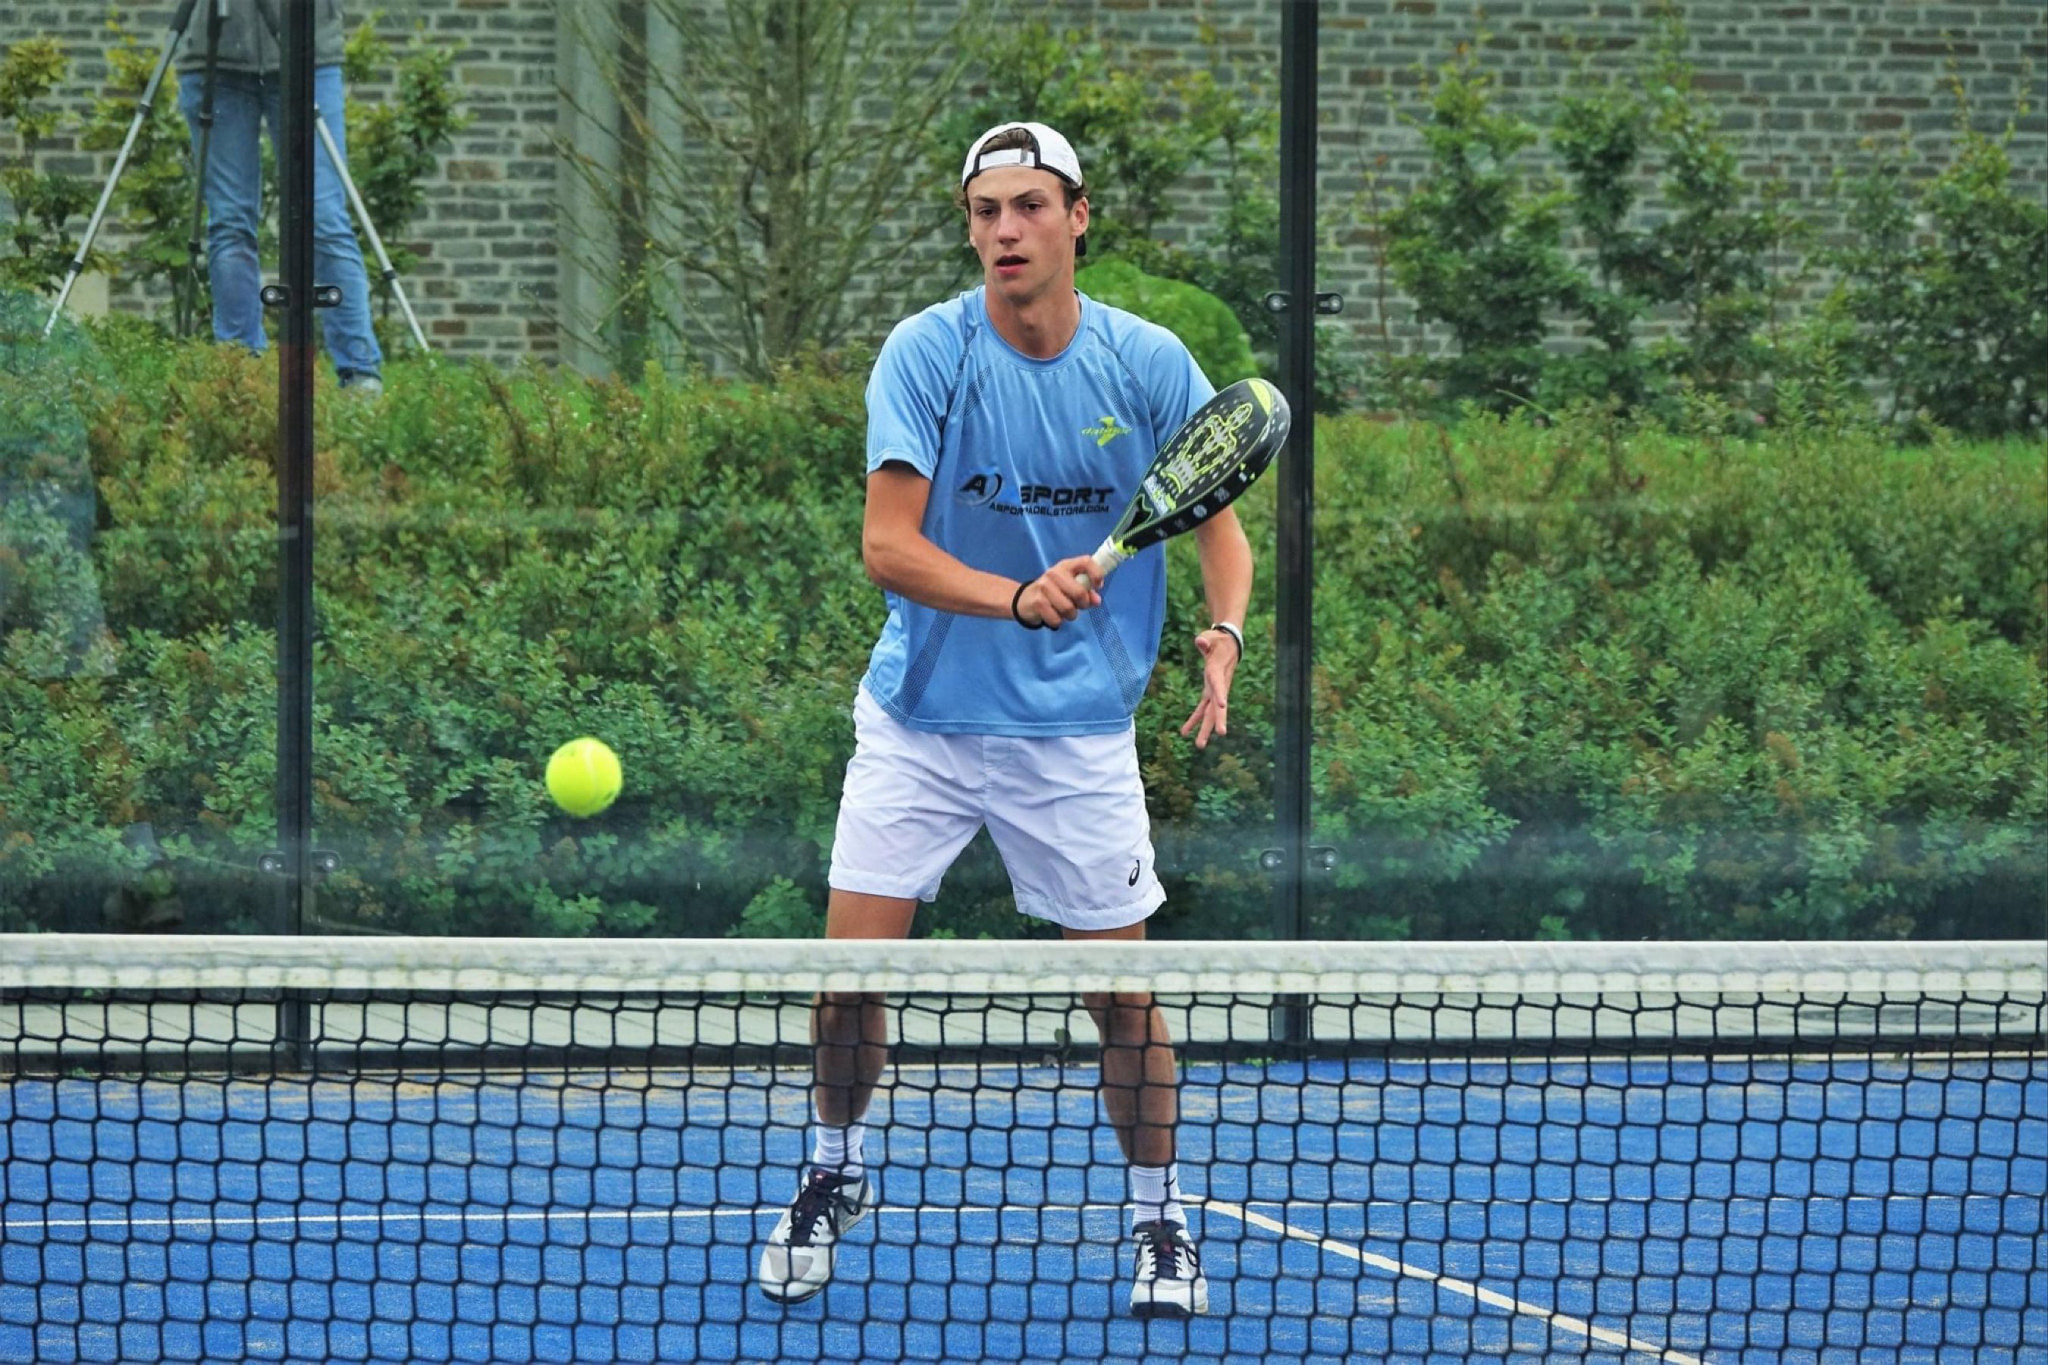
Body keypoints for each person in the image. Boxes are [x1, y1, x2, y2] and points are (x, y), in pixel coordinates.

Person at [755, 121, 1253, 1319]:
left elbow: (1218, 518)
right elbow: (887, 547)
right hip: (919, 723)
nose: (1005, 231)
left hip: (1075, 735)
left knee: (1120, 1002)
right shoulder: (927, 352)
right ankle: (832, 1171)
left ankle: (1160, 1221)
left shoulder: (1143, 362)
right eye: (985, 212)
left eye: (1030, 206)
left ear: (1077, 217)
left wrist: (1223, 632)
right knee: (844, 985)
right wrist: (1017, 597)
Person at [175, 0, 384, 394]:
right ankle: (242, 373)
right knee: (230, 222)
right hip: (214, 53)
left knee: (323, 215)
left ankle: (360, 374)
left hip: (307, 52)